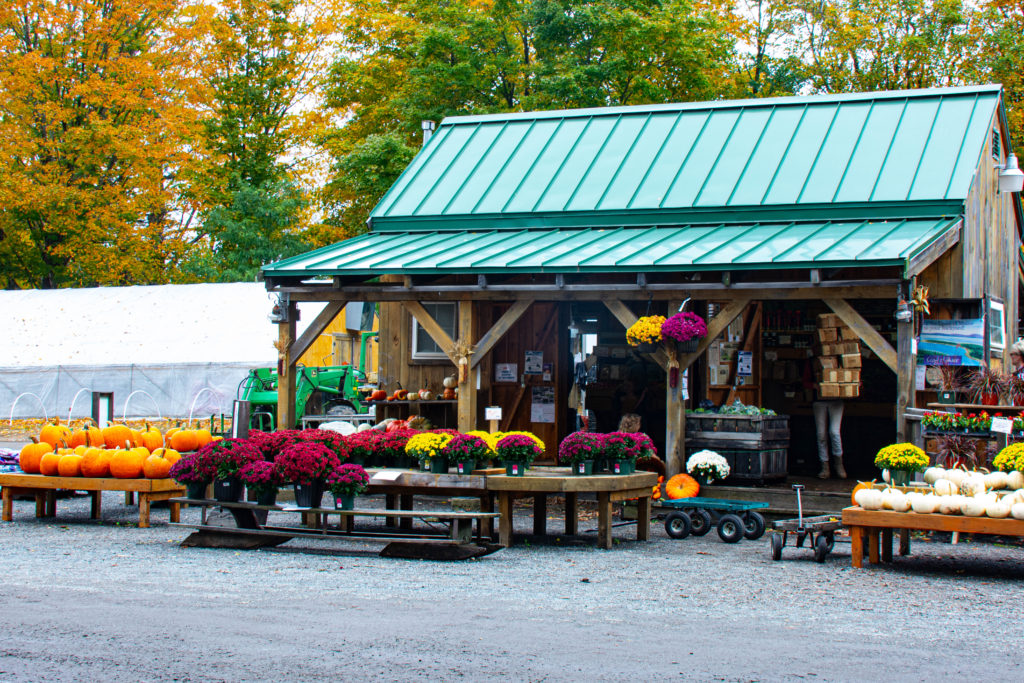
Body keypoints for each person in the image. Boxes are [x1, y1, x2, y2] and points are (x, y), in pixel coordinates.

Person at [812, 400, 845, 479]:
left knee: (834, 432)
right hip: (819, 400)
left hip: (836, 399)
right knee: (821, 435)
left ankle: (839, 464)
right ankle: (825, 467)